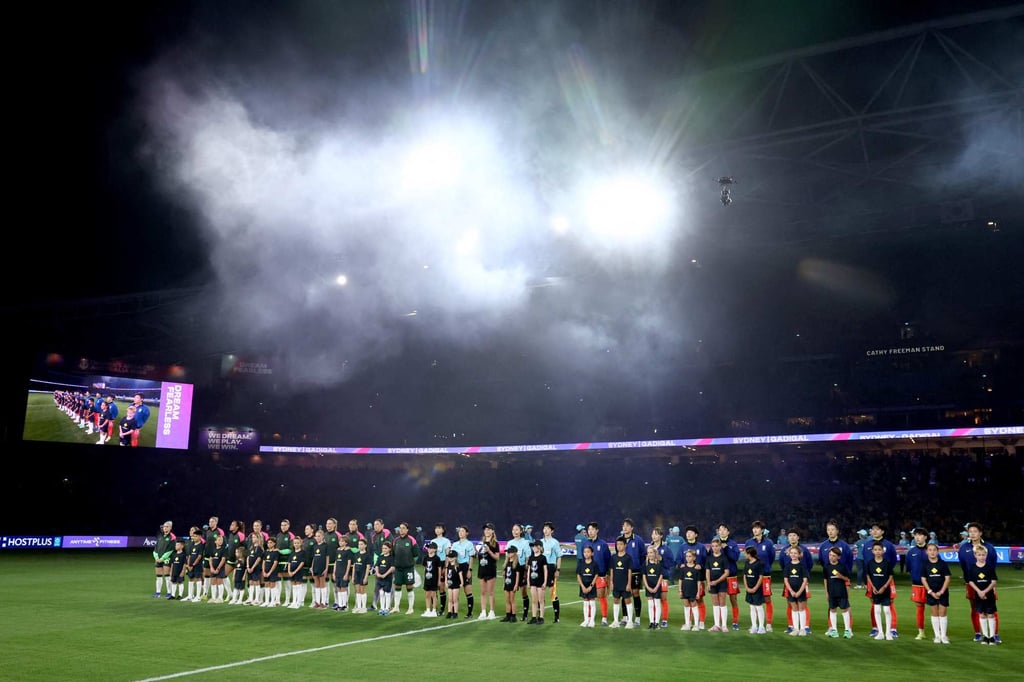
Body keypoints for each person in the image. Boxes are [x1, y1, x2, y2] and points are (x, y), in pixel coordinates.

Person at [958, 521, 1000, 643]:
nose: (972, 534)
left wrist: (991, 583)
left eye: (975, 531)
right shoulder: (964, 547)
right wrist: (968, 580)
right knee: (975, 608)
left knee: (992, 608)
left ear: (980, 533)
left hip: (987, 584)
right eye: (970, 532)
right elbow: (963, 565)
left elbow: (993, 564)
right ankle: (978, 633)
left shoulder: (989, 547)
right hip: (971, 584)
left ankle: (995, 634)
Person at [866, 523, 899, 638]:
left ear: (882, 531)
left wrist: (886, 573)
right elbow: (866, 562)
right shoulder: (867, 545)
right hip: (872, 579)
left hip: (886, 579)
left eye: (877, 529)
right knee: (874, 604)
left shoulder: (889, 545)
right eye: (873, 529)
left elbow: (893, 560)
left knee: (889, 603)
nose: (874, 531)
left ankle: (892, 628)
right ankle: (876, 628)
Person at [744, 521, 775, 631]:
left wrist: (765, 568)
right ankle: (754, 625)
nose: (755, 530)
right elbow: (747, 558)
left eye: (757, 528)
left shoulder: (768, 543)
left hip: (765, 575)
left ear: (762, 530)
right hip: (752, 576)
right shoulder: (748, 542)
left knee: (767, 599)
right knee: (752, 601)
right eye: (754, 528)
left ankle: (768, 623)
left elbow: (771, 558)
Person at [783, 530, 815, 634]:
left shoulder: (804, 550)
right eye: (790, 536)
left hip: (802, 582)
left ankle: (805, 627)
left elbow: (810, 564)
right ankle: (792, 626)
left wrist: (804, 577)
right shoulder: (784, 550)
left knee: (803, 605)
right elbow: (782, 564)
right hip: (790, 583)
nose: (792, 537)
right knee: (791, 605)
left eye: (794, 535)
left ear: (798, 537)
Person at [965, 544, 998, 645]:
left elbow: (993, 581)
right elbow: (970, 581)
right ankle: (985, 636)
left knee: (990, 614)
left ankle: (992, 637)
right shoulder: (972, 568)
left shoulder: (989, 568)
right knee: (982, 615)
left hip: (989, 595)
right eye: (979, 555)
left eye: (983, 555)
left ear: (986, 555)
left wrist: (985, 591)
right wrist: (979, 591)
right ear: (975, 555)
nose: (981, 557)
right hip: (978, 595)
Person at [581, 522, 612, 626]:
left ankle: (604, 618)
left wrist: (608, 575)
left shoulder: (603, 544)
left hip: (600, 575)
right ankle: (588, 619)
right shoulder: (585, 543)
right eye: (589, 529)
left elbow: (608, 560)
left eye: (592, 529)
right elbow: (583, 559)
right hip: (587, 576)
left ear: (597, 530)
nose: (590, 531)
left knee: (601, 596)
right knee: (588, 597)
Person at [678, 525, 707, 629]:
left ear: (696, 535)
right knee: (687, 601)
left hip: (698, 578)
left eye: (691, 532)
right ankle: (688, 622)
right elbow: (679, 560)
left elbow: (705, 561)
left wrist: (701, 566)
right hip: (686, 578)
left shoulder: (701, 547)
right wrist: (680, 564)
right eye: (687, 532)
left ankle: (701, 622)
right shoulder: (682, 547)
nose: (688, 534)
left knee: (699, 599)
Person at [922, 541, 951, 644]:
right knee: (934, 613)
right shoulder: (925, 564)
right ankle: (937, 636)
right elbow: (923, 579)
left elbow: (947, 578)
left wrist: (941, 591)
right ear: (927, 552)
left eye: (934, 550)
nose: (932, 552)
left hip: (942, 592)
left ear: (938, 552)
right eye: (930, 550)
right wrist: (930, 592)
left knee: (942, 613)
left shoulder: (942, 564)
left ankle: (943, 636)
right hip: (931, 592)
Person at [905, 526, 931, 640]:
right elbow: (909, 567)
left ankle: (940, 633)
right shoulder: (911, 552)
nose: (918, 537)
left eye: (920, 535)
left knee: (936, 607)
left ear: (925, 537)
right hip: (917, 585)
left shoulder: (930, 550)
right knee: (920, 608)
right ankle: (921, 632)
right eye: (916, 535)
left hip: (931, 584)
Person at [715, 523, 742, 631]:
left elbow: (735, 557)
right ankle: (721, 622)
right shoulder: (715, 543)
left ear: (728, 532)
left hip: (731, 576)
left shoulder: (732, 544)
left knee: (733, 599)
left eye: (724, 530)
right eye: (720, 530)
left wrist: (726, 548)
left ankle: (735, 622)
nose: (721, 531)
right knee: (720, 599)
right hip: (719, 576)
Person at [391, 522, 421, 614]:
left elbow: (416, 554)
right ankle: (396, 607)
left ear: (407, 530)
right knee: (397, 586)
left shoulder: (411, 540)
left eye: (403, 528)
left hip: (408, 568)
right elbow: (393, 553)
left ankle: (410, 608)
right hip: (398, 568)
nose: (401, 530)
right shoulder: (396, 540)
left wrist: (410, 563)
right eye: (400, 528)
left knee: (409, 587)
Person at [823, 546, 853, 638]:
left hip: (841, 592)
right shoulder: (826, 567)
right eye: (830, 555)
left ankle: (847, 630)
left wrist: (841, 577)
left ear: (838, 557)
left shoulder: (842, 567)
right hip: (831, 592)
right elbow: (825, 580)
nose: (831, 557)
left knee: (844, 610)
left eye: (833, 555)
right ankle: (834, 630)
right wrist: (826, 592)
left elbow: (847, 579)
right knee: (832, 610)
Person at [620, 519, 646, 626]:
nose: (625, 527)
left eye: (627, 526)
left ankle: (638, 618)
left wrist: (641, 569)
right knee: (624, 593)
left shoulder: (638, 540)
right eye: (623, 525)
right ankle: (625, 617)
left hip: (635, 571)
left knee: (635, 593)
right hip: (623, 571)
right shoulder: (620, 540)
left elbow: (643, 555)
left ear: (632, 528)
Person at [649, 527, 675, 628]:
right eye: (653, 534)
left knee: (662, 599)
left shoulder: (666, 549)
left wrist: (662, 559)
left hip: (663, 577)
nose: (654, 536)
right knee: (653, 599)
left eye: (656, 534)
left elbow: (671, 563)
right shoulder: (650, 548)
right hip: (652, 577)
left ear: (661, 536)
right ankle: (654, 620)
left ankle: (664, 620)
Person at [505, 523, 531, 622]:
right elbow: (507, 557)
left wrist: (526, 569)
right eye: (513, 530)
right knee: (510, 591)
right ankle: (510, 614)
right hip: (511, 569)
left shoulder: (525, 543)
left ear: (521, 531)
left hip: (521, 568)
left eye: (517, 530)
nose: (514, 532)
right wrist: (505, 569)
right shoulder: (509, 543)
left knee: (523, 592)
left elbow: (528, 557)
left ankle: (525, 614)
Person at [706, 537, 732, 632]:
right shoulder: (709, 558)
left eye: (716, 546)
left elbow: (726, 572)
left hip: (721, 583)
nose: (714, 548)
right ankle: (716, 625)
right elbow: (708, 571)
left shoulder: (724, 558)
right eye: (713, 546)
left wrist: (716, 581)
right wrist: (708, 582)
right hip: (712, 583)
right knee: (715, 603)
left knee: (722, 602)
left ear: (720, 546)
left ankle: (724, 625)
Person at [609, 536, 634, 629]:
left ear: (625, 545)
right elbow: (612, 570)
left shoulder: (628, 558)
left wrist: (629, 584)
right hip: (616, 583)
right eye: (617, 544)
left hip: (625, 583)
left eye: (621, 544)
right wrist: (611, 582)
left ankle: (630, 621)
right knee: (616, 601)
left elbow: (629, 571)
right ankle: (616, 621)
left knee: (627, 601)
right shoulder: (613, 557)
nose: (619, 546)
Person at [476, 523, 500, 620]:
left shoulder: (495, 543)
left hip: (490, 569)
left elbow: (497, 557)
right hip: (482, 569)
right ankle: (483, 611)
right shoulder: (480, 543)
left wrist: (489, 551)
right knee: (482, 592)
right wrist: (477, 551)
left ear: (492, 531)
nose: (487, 531)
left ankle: (491, 611)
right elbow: (478, 557)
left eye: (489, 529)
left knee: (490, 592)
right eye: (485, 529)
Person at [451, 525, 476, 618]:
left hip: (465, 567)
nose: (460, 533)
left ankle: (470, 612)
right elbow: (451, 557)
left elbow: (471, 558)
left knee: (467, 590)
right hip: (456, 568)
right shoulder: (455, 544)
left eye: (462, 531)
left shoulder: (469, 544)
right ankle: (454, 611)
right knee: (454, 589)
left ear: (467, 533)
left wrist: (470, 569)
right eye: (459, 531)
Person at [540, 521, 562, 623]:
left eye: (548, 528)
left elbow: (559, 556)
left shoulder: (555, 542)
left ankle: (556, 617)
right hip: (540, 568)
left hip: (550, 567)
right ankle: (541, 616)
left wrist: (558, 569)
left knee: (552, 592)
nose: (546, 530)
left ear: (552, 531)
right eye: (544, 528)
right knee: (541, 592)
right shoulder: (540, 542)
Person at [743, 546, 766, 634]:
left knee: (758, 607)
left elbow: (761, 577)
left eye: (745, 553)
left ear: (749, 554)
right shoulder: (747, 563)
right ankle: (754, 626)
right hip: (749, 588)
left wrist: (755, 588)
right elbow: (745, 575)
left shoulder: (759, 563)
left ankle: (761, 626)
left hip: (757, 589)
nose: (744, 554)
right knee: (752, 607)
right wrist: (747, 587)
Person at [678, 549, 702, 631]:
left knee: (694, 606)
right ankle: (687, 624)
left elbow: (699, 582)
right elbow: (680, 580)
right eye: (687, 556)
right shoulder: (683, 568)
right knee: (686, 606)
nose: (688, 558)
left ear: (694, 558)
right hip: (685, 590)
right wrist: (680, 590)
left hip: (693, 590)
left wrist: (698, 592)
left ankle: (696, 625)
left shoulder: (697, 569)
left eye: (690, 556)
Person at [431, 523, 452, 615]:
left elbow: (447, 555)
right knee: (433, 587)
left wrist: (445, 567)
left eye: (439, 528)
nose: (437, 530)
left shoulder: (446, 541)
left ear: (443, 530)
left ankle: (442, 609)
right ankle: (434, 608)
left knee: (441, 588)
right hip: (433, 564)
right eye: (436, 528)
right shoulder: (432, 541)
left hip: (442, 563)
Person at [643, 545, 665, 630]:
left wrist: (656, 587)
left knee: (657, 604)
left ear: (655, 553)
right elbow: (644, 576)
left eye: (651, 552)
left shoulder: (659, 564)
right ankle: (651, 622)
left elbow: (661, 576)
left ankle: (657, 623)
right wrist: (647, 587)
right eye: (648, 553)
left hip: (656, 587)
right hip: (649, 586)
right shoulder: (645, 564)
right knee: (650, 605)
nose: (650, 554)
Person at [152, 521, 176, 599]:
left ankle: (169, 592)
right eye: (164, 526)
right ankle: (158, 592)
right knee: (158, 576)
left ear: (170, 528)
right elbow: (156, 548)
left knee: (167, 576)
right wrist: (156, 557)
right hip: (158, 559)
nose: (164, 528)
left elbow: (170, 550)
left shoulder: (172, 537)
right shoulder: (160, 536)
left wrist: (162, 559)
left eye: (166, 526)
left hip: (167, 559)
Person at [576, 544, 598, 627]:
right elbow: (578, 575)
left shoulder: (594, 564)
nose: (586, 554)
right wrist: (582, 586)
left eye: (588, 552)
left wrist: (591, 586)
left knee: (592, 602)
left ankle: (592, 620)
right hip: (583, 585)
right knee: (585, 602)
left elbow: (596, 575)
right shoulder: (581, 563)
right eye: (584, 552)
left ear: (592, 553)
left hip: (591, 586)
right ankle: (586, 620)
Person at [309, 527, 330, 609]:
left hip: (322, 567)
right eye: (316, 536)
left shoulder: (325, 546)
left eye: (319, 536)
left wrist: (326, 568)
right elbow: (314, 557)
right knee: (316, 585)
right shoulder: (314, 546)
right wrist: (312, 567)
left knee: (322, 584)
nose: (317, 538)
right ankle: (317, 602)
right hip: (315, 567)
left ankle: (323, 602)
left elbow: (327, 557)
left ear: (322, 536)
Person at [421, 541, 443, 617]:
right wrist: (424, 578)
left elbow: (439, 569)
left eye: (431, 548)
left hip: (434, 579)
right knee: (427, 594)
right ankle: (427, 610)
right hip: (427, 579)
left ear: (435, 549)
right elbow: (424, 568)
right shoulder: (426, 557)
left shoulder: (437, 558)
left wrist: (439, 580)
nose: (429, 549)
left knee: (433, 594)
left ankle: (434, 610)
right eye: (428, 548)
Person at [374, 541, 396, 615]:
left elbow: (392, 568)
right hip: (380, 578)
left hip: (387, 578)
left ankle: (387, 608)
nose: (384, 550)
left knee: (387, 593)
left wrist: (385, 574)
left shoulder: (391, 558)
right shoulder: (381, 557)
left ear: (390, 549)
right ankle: (382, 608)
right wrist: (377, 573)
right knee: (381, 592)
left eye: (386, 548)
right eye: (383, 548)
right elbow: (377, 565)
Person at [184, 526, 205, 603]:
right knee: (191, 579)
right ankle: (190, 596)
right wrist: (189, 565)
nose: (194, 537)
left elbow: (199, 557)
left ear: (199, 537)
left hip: (197, 565)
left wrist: (193, 565)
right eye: (193, 536)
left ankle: (198, 596)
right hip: (190, 566)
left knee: (198, 579)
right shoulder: (192, 544)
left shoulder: (201, 545)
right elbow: (189, 555)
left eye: (195, 536)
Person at [501, 545, 522, 622]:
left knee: (512, 600)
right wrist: (504, 583)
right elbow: (504, 575)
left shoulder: (516, 563)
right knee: (507, 600)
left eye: (510, 552)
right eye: (508, 553)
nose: (508, 554)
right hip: (507, 583)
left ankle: (513, 616)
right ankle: (508, 615)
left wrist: (516, 585)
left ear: (514, 553)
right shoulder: (507, 563)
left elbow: (517, 575)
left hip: (513, 583)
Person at [332, 535, 353, 611]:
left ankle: (344, 605)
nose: (340, 542)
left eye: (342, 541)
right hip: (338, 572)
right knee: (338, 588)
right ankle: (340, 604)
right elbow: (336, 562)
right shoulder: (338, 550)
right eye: (340, 541)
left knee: (343, 588)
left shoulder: (348, 551)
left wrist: (347, 573)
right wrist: (334, 573)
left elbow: (349, 563)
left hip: (344, 572)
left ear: (346, 542)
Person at [351, 537, 372, 613]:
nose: (360, 546)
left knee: (362, 590)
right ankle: (358, 607)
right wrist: (353, 576)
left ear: (365, 545)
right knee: (357, 591)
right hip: (356, 574)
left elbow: (368, 567)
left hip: (363, 574)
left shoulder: (367, 555)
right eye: (359, 544)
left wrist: (366, 577)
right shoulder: (356, 554)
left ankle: (364, 607)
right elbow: (354, 566)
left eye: (361, 544)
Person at [243, 532, 265, 605]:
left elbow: (258, 559)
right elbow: (248, 557)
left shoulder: (259, 548)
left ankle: (257, 599)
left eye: (254, 537)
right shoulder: (251, 547)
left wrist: (252, 567)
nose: (253, 539)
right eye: (252, 537)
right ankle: (250, 598)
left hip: (256, 567)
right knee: (251, 582)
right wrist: (248, 566)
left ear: (258, 538)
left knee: (256, 582)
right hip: (250, 568)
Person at [286, 536, 307, 609]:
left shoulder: (302, 552)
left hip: (298, 572)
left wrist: (295, 571)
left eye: (298, 543)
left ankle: (299, 602)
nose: (296, 544)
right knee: (294, 587)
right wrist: (289, 571)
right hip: (291, 572)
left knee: (299, 586)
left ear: (300, 543)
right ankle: (294, 601)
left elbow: (302, 563)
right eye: (295, 543)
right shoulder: (292, 553)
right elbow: (289, 562)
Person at [207, 533, 229, 603]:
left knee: (219, 582)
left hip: (220, 569)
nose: (220, 541)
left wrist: (218, 569)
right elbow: (210, 559)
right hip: (213, 569)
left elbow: (223, 560)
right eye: (219, 540)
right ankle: (213, 598)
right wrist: (211, 568)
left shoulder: (224, 550)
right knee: (213, 582)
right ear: (215, 541)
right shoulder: (213, 549)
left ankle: (220, 598)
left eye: (221, 540)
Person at [261, 536, 281, 607]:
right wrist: (263, 571)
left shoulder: (276, 552)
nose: (269, 544)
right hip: (265, 571)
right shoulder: (266, 552)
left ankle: (273, 601)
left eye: (271, 543)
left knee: (273, 586)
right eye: (268, 543)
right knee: (266, 585)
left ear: (274, 544)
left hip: (273, 572)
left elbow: (275, 563)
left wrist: (270, 572)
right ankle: (267, 601)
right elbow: (263, 562)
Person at [444, 549, 464, 619]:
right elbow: (446, 575)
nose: (450, 558)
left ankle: (455, 612)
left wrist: (462, 583)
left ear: (455, 557)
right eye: (449, 557)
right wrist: (446, 582)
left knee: (455, 599)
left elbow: (460, 575)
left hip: (456, 585)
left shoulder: (457, 567)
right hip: (450, 585)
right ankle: (449, 612)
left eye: (451, 557)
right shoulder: (448, 566)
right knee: (450, 599)